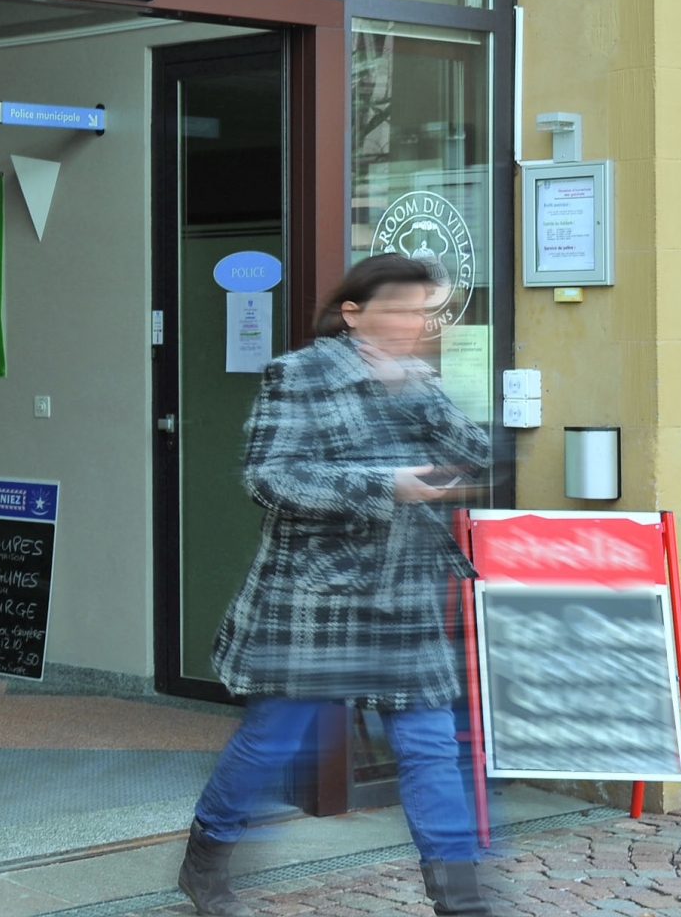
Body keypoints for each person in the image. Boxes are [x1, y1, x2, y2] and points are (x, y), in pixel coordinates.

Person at [178, 253, 494, 917]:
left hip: (403, 594)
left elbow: (472, 454)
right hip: (316, 597)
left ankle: (459, 902)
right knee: (273, 738)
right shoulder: (297, 375)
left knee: (429, 745)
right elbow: (270, 479)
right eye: (402, 310)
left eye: (424, 312)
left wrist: (426, 400)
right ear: (353, 314)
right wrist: (384, 485)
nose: (417, 323)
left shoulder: (419, 382)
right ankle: (205, 860)